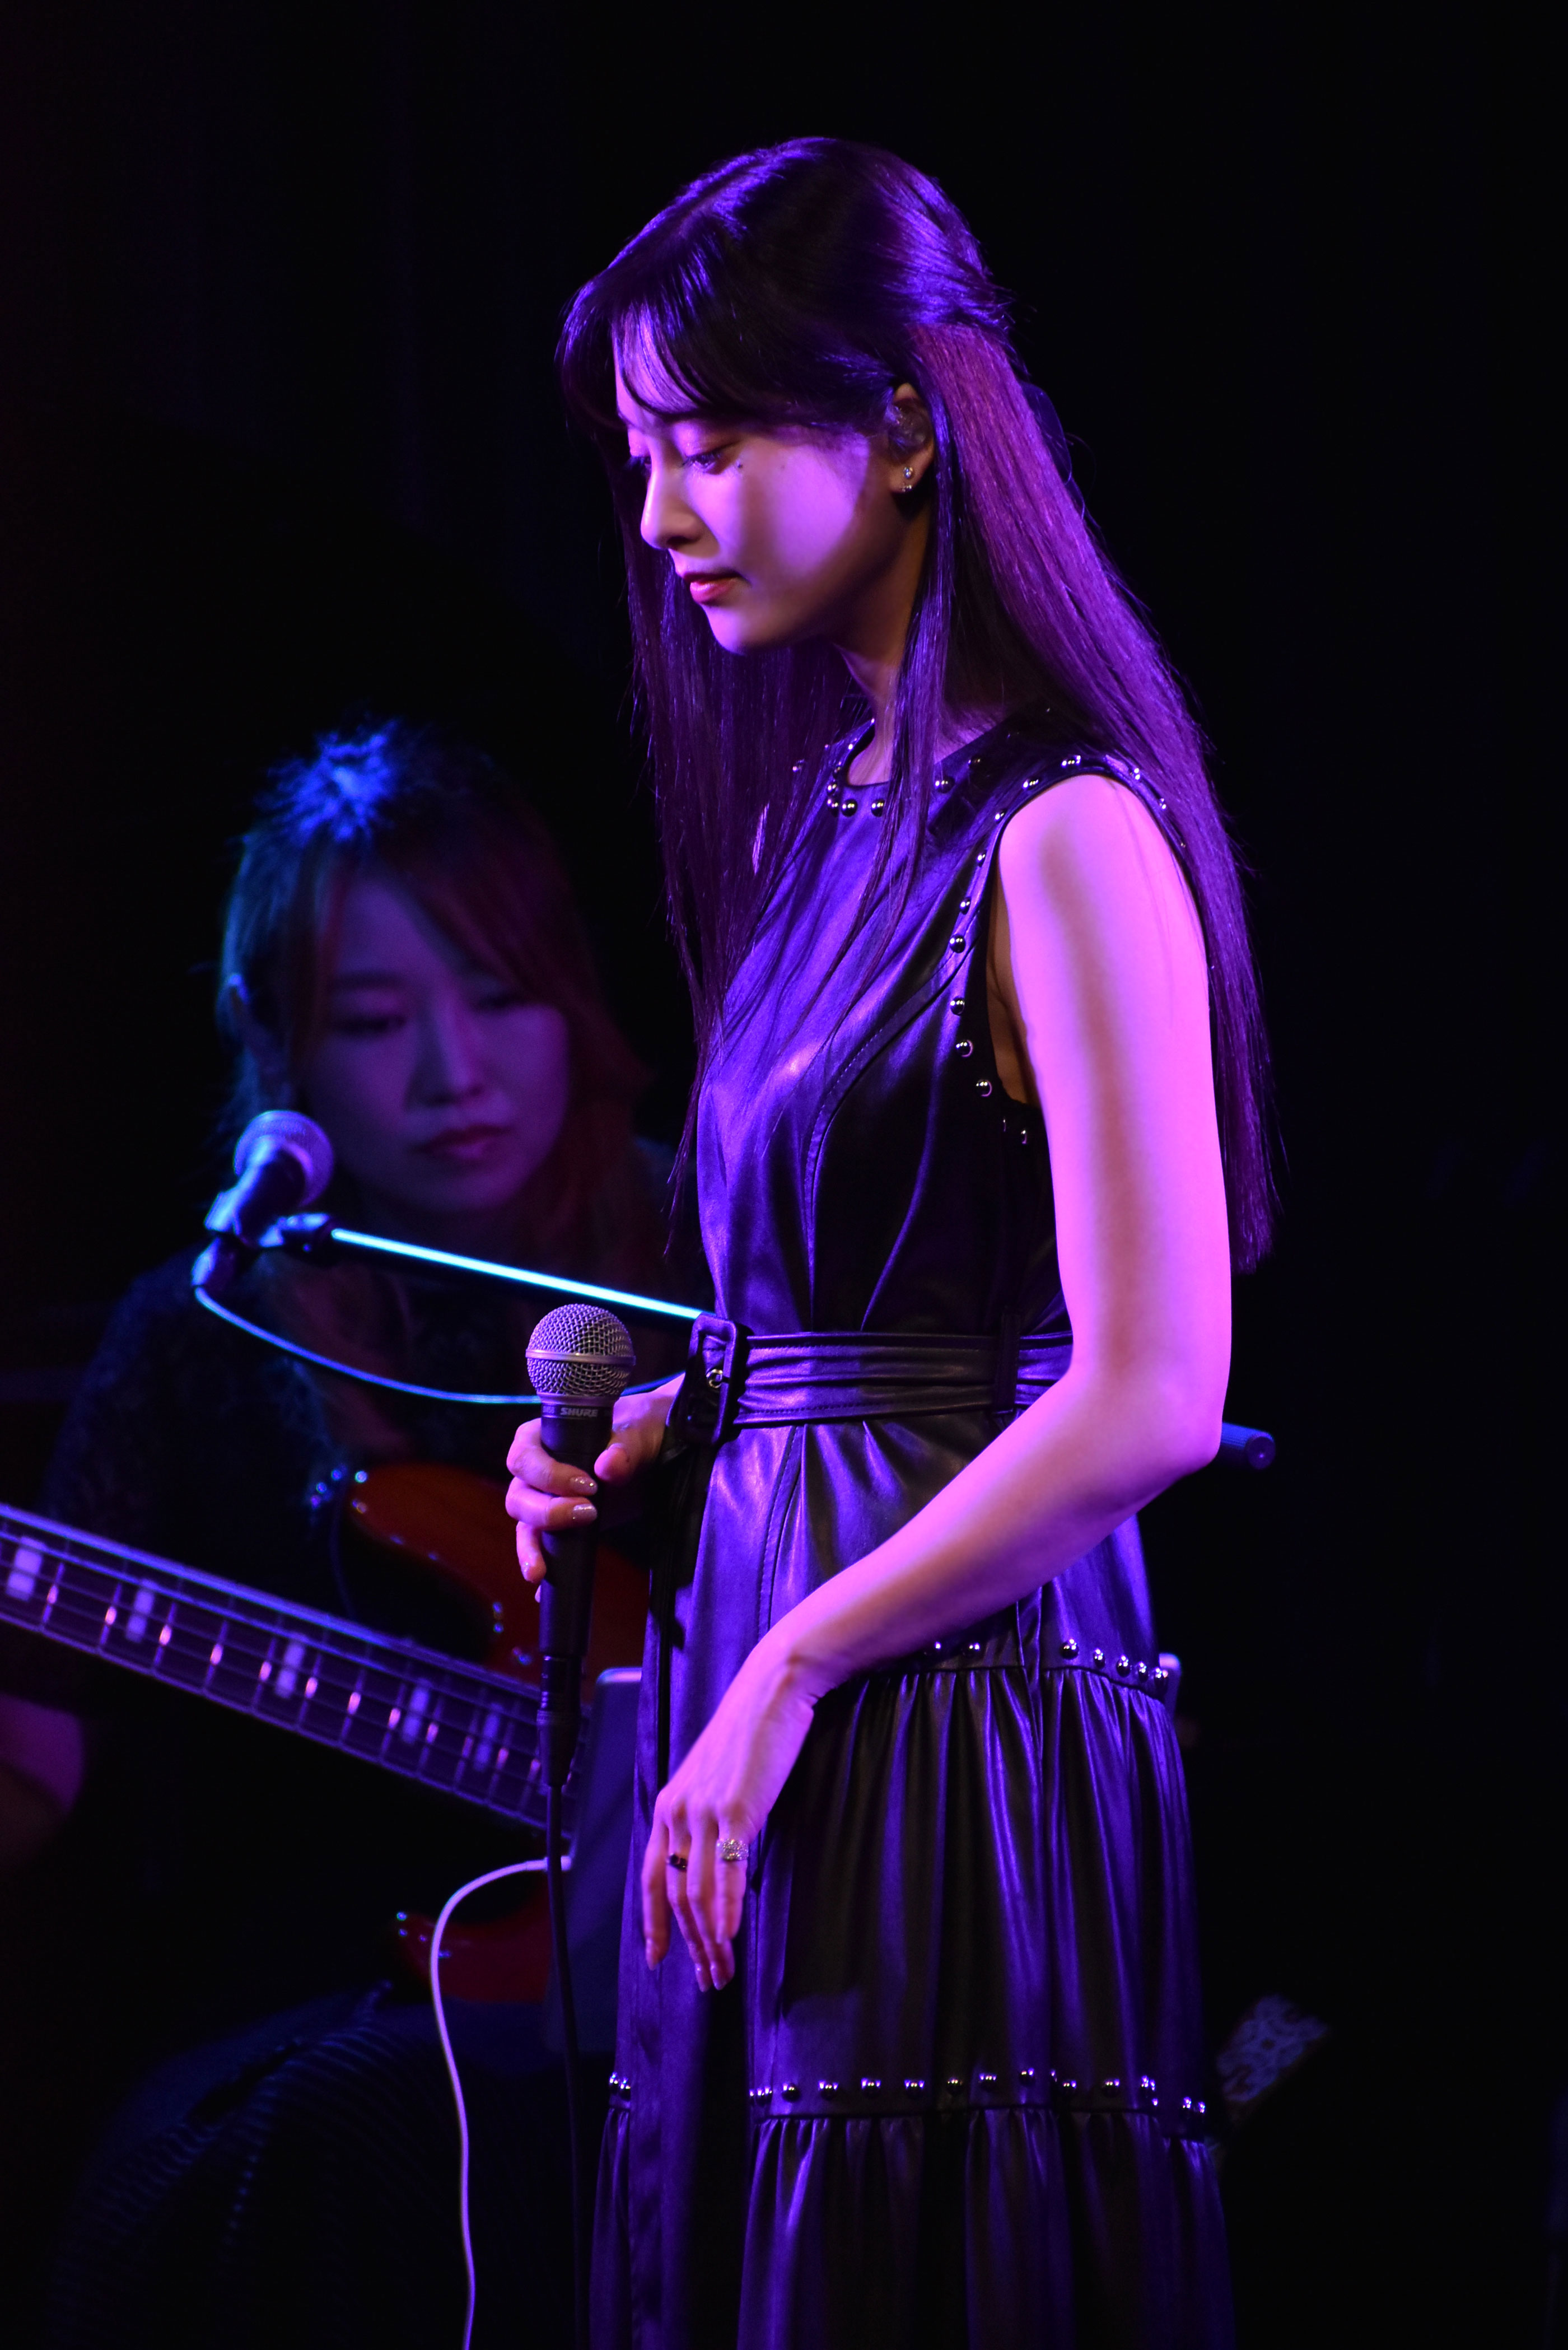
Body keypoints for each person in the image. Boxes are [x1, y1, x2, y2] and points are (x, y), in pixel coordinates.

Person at [507, 139, 1271, 2347]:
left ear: (910, 428)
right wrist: (671, 1448)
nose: (662, 512)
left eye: (711, 442)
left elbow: (1154, 1391)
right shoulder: (827, 815)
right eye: (643, 455)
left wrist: (793, 1661)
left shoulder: (1067, 835)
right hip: (785, 1660)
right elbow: (841, 1319)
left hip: (955, 1704)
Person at [0, 721, 697, 2348]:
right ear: (283, 1047)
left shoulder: (709, 1249)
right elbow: (40, 1748)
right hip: (340, 1976)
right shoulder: (209, 1325)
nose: (454, 1075)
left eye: (499, 995)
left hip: (710, 1946)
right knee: (350, 2126)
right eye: (377, 1022)